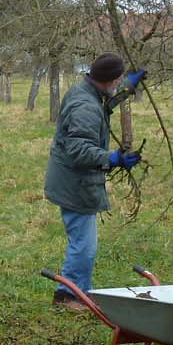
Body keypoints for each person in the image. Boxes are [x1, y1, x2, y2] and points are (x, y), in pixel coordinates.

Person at [44, 52, 145, 309]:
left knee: (83, 241)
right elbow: (78, 149)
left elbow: (105, 104)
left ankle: (73, 291)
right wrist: (113, 159)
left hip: (72, 180)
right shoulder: (86, 106)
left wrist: (127, 89)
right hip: (75, 184)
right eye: (119, 79)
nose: (119, 83)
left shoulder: (87, 92)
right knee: (84, 245)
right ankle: (69, 296)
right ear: (110, 80)